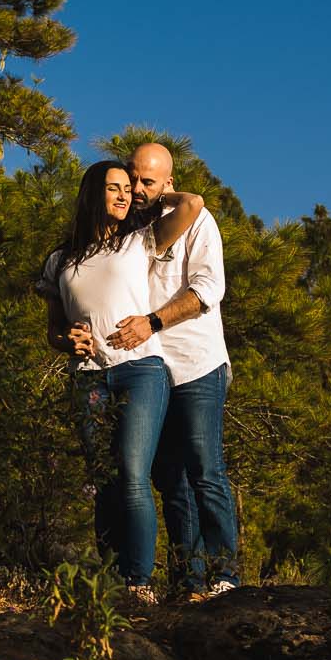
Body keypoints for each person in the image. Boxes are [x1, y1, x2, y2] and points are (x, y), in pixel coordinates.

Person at [36, 160, 204, 605]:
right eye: (114, 188)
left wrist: (155, 196)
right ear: (92, 192)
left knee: (132, 473)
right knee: (103, 479)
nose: (125, 195)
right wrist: (65, 340)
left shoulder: (139, 240)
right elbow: (54, 330)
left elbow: (192, 204)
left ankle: (139, 583)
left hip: (140, 370)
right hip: (89, 376)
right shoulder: (60, 259)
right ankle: (109, 582)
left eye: (128, 189)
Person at [107, 141, 239, 597]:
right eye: (134, 178)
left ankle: (225, 576)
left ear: (168, 185)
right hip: (151, 371)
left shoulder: (197, 222)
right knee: (170, 483)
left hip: (198, 363)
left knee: (206, 470)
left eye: (149, 181)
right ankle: (188, 581)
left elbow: (207, 289)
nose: (138, 188)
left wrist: (154, 322)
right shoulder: (127, 234)